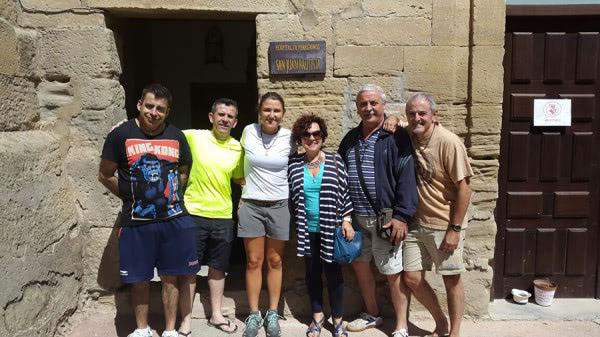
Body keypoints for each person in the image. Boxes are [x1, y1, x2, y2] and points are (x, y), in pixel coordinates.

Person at [98, 84, 200, 337]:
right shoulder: (120, 135)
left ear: (168, 112)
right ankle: (141, 329)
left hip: (172, 219)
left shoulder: (177, 136)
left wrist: (172, 195)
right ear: (139, 105)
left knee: (171, 276)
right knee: (139, 278)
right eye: (150, 106)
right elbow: (104, 174)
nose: (154, 112)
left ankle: (169, 330)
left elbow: (184, 170)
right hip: (136, 221)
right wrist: (131, 195)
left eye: (161, 109)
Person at [337, 84, 418, 337]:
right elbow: (341, 178)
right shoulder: (349, 139)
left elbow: (407, 176)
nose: (368, 108)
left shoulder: (396, 136)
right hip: (358, 220)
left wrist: (402, 216)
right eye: (363, 104)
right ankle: (372, 314)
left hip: (386, 220)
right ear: (357, 108)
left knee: (393, 273)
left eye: (373, 103)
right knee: (361, 267)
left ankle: (402, 325)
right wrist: (345, 217)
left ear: (384, 106)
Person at [402, 93, 473, 337]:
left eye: (422, 113)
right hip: (416, 223)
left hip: (445, 224)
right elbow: (392, 122)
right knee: (412, 278)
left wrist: (454, 229)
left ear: (434, 114)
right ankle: (440, 323)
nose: (416, 118)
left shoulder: (448, 142)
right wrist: (391, 118)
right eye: (411, 113)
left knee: (451, 280)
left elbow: (465, 187)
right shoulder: (410, 135)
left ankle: (454, 333)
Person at [179, 98, 244, 335]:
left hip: (223, 216)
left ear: (235, 122)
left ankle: (216, 314)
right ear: (211, 117)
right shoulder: (194, 137)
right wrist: (128, 126)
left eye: (230, 117)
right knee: (189, 269)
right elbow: (162, 133)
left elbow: (240, 178)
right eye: (221, 115)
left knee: (218, 268)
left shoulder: (237, 148)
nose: (225, 119)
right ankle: (185, 319)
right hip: (194, 213)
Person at [288, 115, 354, 337]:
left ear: (323, 136)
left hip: (331, 228)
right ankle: (317, 316)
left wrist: (347, 220)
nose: (312, 138)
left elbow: (346, 193)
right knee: (312, 274)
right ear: (300, 139)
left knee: (334, 274)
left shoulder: (335, 161)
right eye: (306, 134)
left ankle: (337, 319)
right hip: (307, 230)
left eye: (316, 133)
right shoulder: (294, 165)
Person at [238, 92, 296, 337]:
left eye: (277, 111)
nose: (272, 115)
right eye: (267, 110)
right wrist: (242, 190)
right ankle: (254, 314)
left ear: (282, 113)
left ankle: (272, 312)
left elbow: (315, 146)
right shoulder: (248, 131)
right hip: (252, 205)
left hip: (279, 205)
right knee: (253, 262)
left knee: (275, 261)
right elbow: (238, 160)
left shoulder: (291, 137)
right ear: (259, 111)